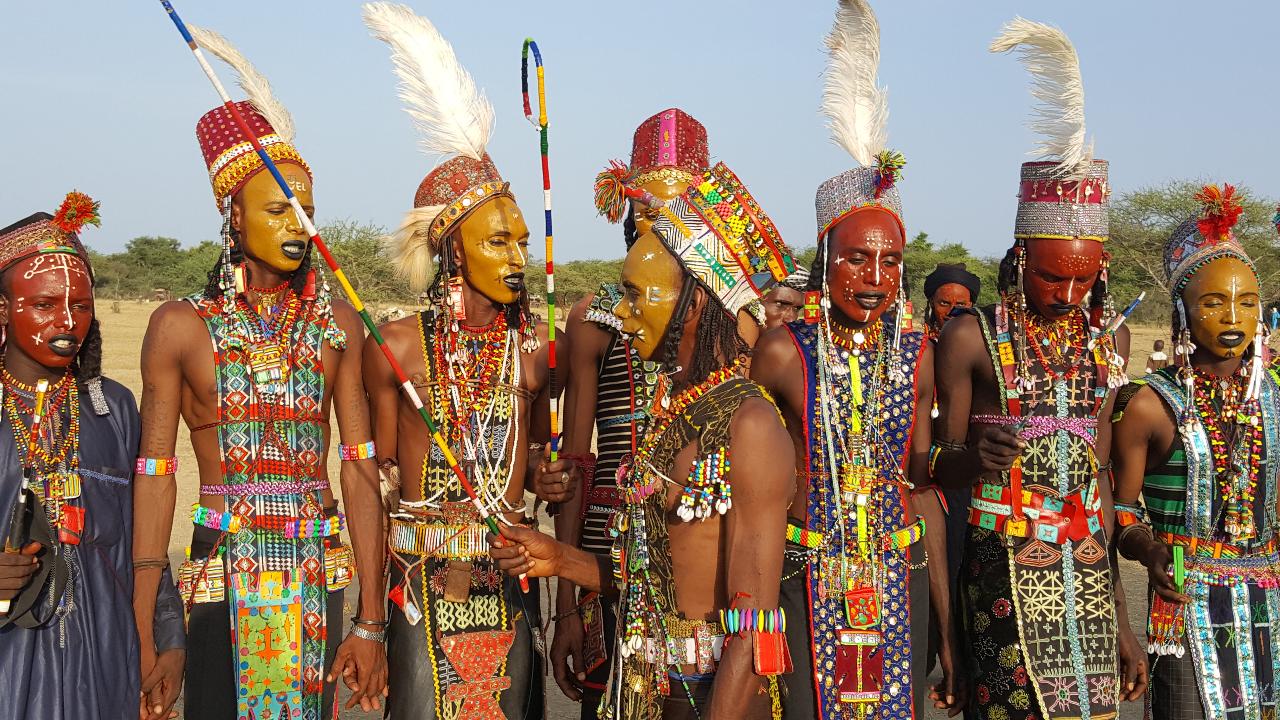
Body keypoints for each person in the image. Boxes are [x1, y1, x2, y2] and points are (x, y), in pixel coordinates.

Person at [132, 26, 386, 720]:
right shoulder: (181, 327)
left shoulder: (338, 324)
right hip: (219, 576)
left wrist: (370, 621)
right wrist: (143, 623)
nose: (298, 223)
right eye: (278, 207)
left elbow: (360, 470)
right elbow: (155, 478)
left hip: (320, 570)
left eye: (306, 208)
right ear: (232, 215)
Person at [496, 161, 798, 719]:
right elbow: (650, 582)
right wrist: (560, 560)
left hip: (711, 700)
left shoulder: (747, 424)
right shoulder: (673, 414)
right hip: (644, 689)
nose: (625, 316)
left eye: (637, 297)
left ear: (697, 302)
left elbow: (754, 630)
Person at [931, 19, 1145, 719]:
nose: (1070, 296)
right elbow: (933, 468)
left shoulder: (1103, 345)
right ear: (1021, 259)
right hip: (999, 574)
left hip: (1087, 581)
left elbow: (1103, 488)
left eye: (1085, 282)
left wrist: (1123, 620)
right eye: (1055, 278)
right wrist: (971, 458)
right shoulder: (970, 335)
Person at [751, 2, 956, 716]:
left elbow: (923, 485)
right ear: (824, 261)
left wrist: (950, 632)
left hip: (898, 578)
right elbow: (753, 483)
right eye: (857, 259)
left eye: (891, 261)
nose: (874, 276)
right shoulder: (783, 352)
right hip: (804, 574)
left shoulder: (918, 351)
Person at [361, 4, 550, 717]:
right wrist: (371, 619)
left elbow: (533, 467)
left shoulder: (531, 350)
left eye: (521, 241)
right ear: (453, 249)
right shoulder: (400, 347)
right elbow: (378, 479)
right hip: (423, 584)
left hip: (508, 581)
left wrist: (550, 483)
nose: (516, 257)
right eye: (498, 241)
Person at [540, 108, 710, 718]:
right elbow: (575, 468)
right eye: (650, 207)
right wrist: (566, 608)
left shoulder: (728, 320)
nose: (661, 222)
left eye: (678, 208)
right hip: (602, 558)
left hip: (698, 562)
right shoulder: (597, 318)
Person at [0, 195, 185, 720]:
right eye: (44, 305)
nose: (67, 320)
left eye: (81, 306)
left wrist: (167, 636)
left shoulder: (111, 407)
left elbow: (143, 531)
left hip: (104, 648)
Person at [1111, 184, 1280, 718]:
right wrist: (1150, 548)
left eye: (1247, 302)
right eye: (1213, 302)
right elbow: (1121, 513)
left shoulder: (1274, 397)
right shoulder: (1150, 406)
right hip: (1183, 607)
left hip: (1270, 605)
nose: (1233, 316)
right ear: (1183, 313)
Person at [924, 263, 980, 340]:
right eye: (944, 303)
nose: (951, 312)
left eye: (960, 305)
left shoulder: (980, 343)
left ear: (970, 305)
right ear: (932, 302)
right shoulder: (919, 345)